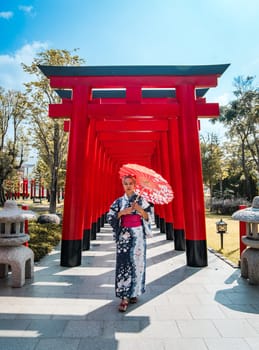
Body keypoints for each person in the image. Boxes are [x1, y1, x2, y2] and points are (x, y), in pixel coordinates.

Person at [107, 175, 152, 312]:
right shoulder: (119, 202)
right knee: (124, 264)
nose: (128, 186)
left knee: (138, 264)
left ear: (135, 185)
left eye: (131, 183)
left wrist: (140, 210)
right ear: (123, 185)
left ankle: (134, 292)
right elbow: (110, 217)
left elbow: (149, 217)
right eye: (125, 183)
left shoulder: (142, 200)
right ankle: (124, 297)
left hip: (138, 236)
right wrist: (122, 213)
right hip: (124, 237)